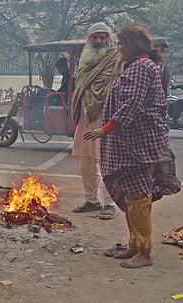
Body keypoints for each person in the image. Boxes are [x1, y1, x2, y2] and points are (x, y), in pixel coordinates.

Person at [83, 24, 181, 268]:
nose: (120, 49)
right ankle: (134, 244)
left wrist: (104, 129)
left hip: (139, 145)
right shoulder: (136, 66)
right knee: (131, 197)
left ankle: (145, 253)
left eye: (122, 44)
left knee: (138, 198)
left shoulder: (142, 67)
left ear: (132, 45)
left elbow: (132, 104)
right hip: (129, 144)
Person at [71, 22, 124, 220]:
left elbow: (119, 84)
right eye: (95, 37)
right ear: (89, 39)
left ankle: (110, 204)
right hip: (86, 117)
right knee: (87, 161)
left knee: (107, 161)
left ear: (108, 39)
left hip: (107, 115)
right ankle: (92, 201)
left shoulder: (116, 57)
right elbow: (80, 85)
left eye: (102, 37)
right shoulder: (85, 58)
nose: (99, 41)